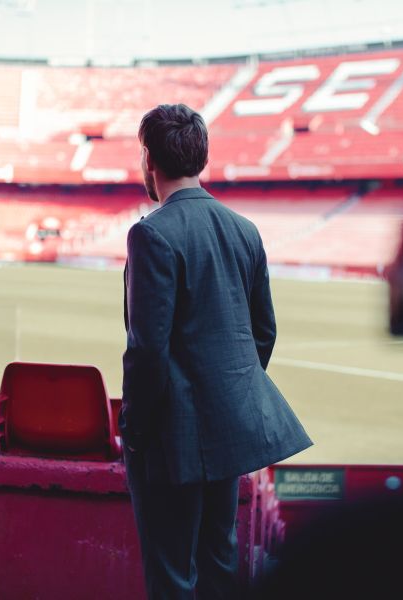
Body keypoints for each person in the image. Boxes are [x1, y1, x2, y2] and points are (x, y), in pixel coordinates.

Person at [119, 103, 312, 600]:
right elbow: (263, 332)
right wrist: (227, 397)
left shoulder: (150, 233)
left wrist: (135, 430)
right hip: (228, 432)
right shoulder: (244, 229)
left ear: (149, 159)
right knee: (219, 564)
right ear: (200, 157)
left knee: (171, 574)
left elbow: (147, 350)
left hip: (171, 439)